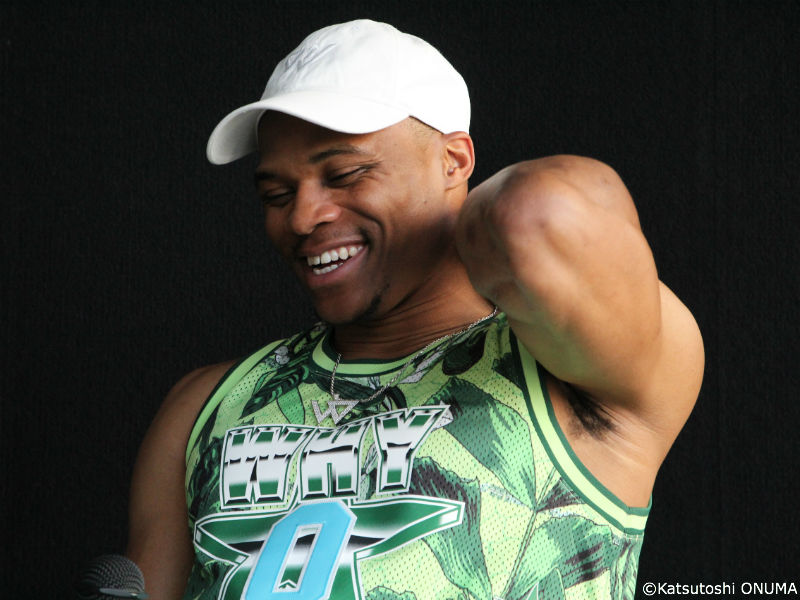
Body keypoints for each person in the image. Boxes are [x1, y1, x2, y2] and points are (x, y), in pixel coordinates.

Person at [126, 19, 704, 600]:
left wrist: (458, 235)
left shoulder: (566, 372)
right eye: (276, 194)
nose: (301, 218)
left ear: (454, 160)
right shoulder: (206, 405)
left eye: (345, 175)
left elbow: (538, 215)